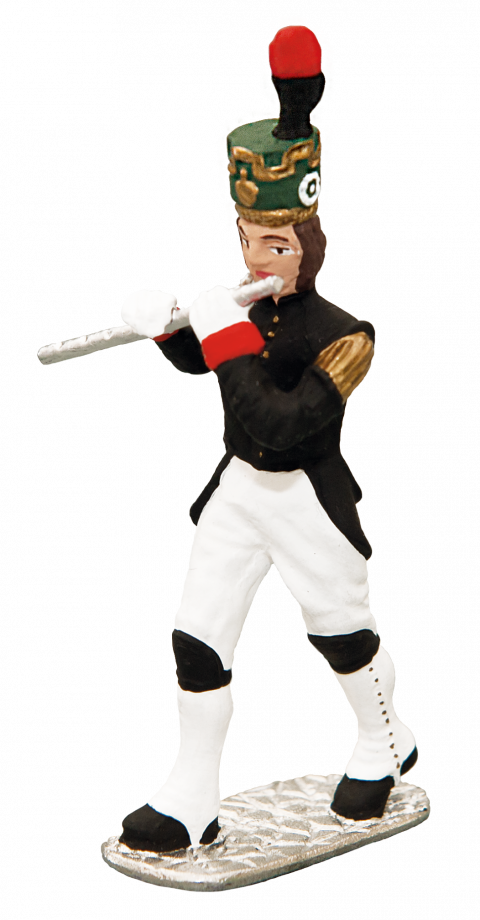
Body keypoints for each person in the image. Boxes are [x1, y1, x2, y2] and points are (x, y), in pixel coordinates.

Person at [117, 24, 417, 855]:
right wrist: (167, 330)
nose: (257, 261)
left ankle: (384, 740)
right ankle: (193, 793)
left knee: (341, 633)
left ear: (310, 245)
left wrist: (221, 334)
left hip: (306, 501)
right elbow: (211, 363)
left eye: (275, 245)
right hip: (239, 495)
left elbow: (276, 417)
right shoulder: (246, 313)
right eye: (248, 242)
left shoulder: (344, 336)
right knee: (197, 635)